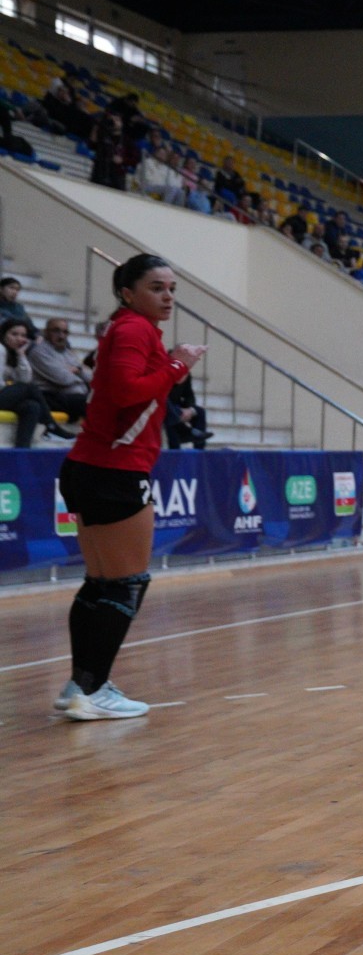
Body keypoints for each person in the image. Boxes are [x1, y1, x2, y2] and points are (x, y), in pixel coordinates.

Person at [54, 253, 206, 720]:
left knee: (101, 582)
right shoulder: (134, 330)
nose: (168, 297)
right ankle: (93, 690)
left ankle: (80, 685)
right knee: (126, 585)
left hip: (90, 466)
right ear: (127, 292)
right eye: (157, 288)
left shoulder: (128, 329)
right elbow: (124, 391)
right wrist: (178, 365)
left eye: (172, 289)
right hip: (115, 470)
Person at [0, 319, 62, 446]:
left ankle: (22, 450)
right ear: (3, 335)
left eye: (23, 335)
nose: (19, 339)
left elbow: (24, 379)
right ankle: (51, 426)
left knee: (32, 406)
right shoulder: (0, 349)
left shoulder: (12, 354)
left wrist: (21, 354)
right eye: (14, 334)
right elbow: (24, 385)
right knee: (30, 388)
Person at [28, 317, 92, 424]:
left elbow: (91, 377)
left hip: (73, 397)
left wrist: (78, 370)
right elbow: (63, 379)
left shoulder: (68, 353)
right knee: (93, 404)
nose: (61, 336)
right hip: (51, 396)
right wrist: (79, 373)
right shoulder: (39, 352)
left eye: (65, 332)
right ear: (46, 332)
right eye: (56, 331)